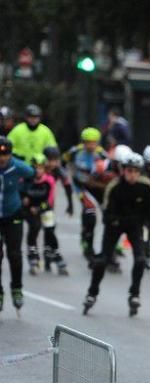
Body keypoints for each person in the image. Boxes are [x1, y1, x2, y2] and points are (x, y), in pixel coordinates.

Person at [83, 151, 150, 316]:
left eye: (136, 171)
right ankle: (92, 293)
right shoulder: (114, 186)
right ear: (123, 170)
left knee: (140, 260)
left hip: (135, 226)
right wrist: (114, 221)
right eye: (129, 171)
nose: (132, 175)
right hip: (115, 225)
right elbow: (106, 212)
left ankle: (134, 294)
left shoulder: (145, 186)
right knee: (102, 261)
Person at [0, 138, 35, 314]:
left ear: (11, 154)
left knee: (14, 254)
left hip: (13, 214)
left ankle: (17, 288)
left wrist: (25, 193)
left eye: (5, 154)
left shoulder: (18, 167)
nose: (2, 158)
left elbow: (32, 175)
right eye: (0, 154)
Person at [65, 127, 111, 263]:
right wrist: (67, 178)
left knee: (109, 214)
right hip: (81, 187)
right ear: (83, 142)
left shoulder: (102, 154)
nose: (91, 146)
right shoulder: (75, 151)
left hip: (97, 187)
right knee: (90, 213)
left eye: (94, 142)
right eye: (88, 142)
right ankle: (87, 242)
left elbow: (111, 169)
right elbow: (61, 163)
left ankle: (112, 246)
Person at [40, 146, 73, 274]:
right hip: (34, 205)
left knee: (50, 229)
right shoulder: (38, 168)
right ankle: (46, 254)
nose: (52, 163)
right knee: (37, 229)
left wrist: (70, 205)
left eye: (55, 160)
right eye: (50, 160)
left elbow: (68, 186)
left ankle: (51, 255)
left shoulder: (58, 170)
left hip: (48, 205)